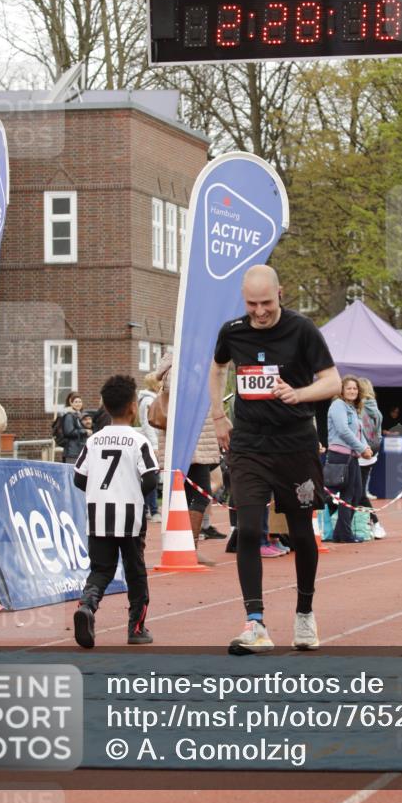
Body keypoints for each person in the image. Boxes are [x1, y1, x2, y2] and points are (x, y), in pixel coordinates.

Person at [209, 264, 341, 654]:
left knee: (300, 531)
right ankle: (255, 623)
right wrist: (219, 414)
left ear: (280, 293)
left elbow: (333, 380)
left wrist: (298, 395)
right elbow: (217, 368)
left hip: (295, 445)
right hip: (249, 444)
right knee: (247, 529)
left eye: (266, 303)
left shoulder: (302, 330)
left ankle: (304, 613)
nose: (260, 312)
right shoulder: (233, 331)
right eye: (252, 304)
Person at [73, 374, 158, 648]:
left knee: (101, 569)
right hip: (129, 517)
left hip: (98, 515)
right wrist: (131, 489)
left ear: (105, 407)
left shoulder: (94, 441)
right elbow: (151, 478)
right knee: (135, 571)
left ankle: (87, 605)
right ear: (134, 407)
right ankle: (136, 628)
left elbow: (78, 477)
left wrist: (100, 488)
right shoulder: (138, 441)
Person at [156, 352, 221, 565]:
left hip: (194, 442)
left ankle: (187, 546)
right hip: (189, 443)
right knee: (200, 494)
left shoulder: (181, 369)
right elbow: (189, 397)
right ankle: (189, 547)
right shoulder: (177, 371)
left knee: (190, 495)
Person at [326, 375, 373, 542]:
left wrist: (365, 448)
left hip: (352, 456)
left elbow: (358, 432)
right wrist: (362, 448)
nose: (353, 391)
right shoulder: (338, 405)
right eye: (349, 388)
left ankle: (342, 533)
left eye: (355, 388)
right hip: (340, 455)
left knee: (354, 494)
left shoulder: (351, 407)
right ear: (341, 390)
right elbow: (343, 430)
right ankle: (339, 532)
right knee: (331, 493)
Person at [356, 378, 387, 534]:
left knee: (357, 492)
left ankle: (374, 523)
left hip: (360, 452)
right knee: (356, 491)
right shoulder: (375, 409)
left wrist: (361, 448)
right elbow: (379, 433)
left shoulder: (359, 408)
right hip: (372, 452)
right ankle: (366, 524)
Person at [137, 372, 162, 523]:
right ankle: (151, 510)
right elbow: (148, 425)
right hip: (151, 444)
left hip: (153, 442)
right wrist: (154, 445)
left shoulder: (152, 399)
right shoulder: (148, 401)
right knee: (152, 476)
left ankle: (149, 508)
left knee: (153, 475)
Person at [61, 391, 88, 464]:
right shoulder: (69, 415)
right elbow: (69, 432)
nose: (78, 404)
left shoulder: (78, 415)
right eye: (76, 402)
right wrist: (85, 432)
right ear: (71, 403)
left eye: (80, 402)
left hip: (77, 451)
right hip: (72, 452)